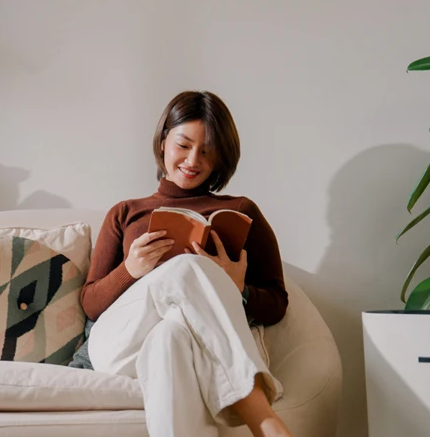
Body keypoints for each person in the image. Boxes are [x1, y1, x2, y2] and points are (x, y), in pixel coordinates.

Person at [79, 91, 291, 437]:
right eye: (184, 145)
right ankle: (261, 415)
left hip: (187, 347)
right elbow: (90, 305)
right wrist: (130, 270)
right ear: (163, 142)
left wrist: (238, 287)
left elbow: (277, 305)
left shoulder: (241, 211)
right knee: (184, 269)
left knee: (171, 336)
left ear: (221, 156)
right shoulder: (125, 212)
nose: (193, 160)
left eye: (207, 150)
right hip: (118, 348)